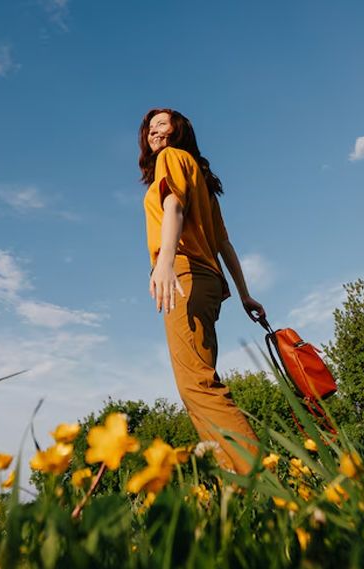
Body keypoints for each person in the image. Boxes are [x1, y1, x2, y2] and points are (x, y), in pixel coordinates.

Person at [139, 108, 266, 475]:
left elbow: (173, 205)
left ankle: (258, 482)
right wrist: (244, 294)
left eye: (162, 124)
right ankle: (241, 479)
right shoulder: (202, 180)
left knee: (197, 385)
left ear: (179, 131)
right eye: (149, 127)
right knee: (201, 380)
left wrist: (164, 261)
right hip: (208, 283)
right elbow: (224, 244)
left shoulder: (171, 158)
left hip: (184, 273)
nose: (153, 131)